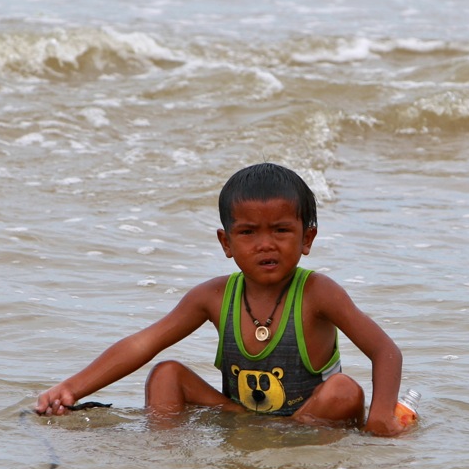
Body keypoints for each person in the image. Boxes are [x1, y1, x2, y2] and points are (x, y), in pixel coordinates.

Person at [35, 162, 408, 436]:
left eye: (281, 230)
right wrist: (71, 388)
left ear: (307, 239)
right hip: (240, 415)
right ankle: (165, 461)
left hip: (311, 418)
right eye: (247, 232)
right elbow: (143, 342)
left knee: (344, 391)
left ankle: (285, 444)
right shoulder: (212, 296)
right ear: (226, 243)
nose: (265, 244)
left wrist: (381, 415)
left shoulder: (318, 293)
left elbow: (385, 350)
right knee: (166, 374)